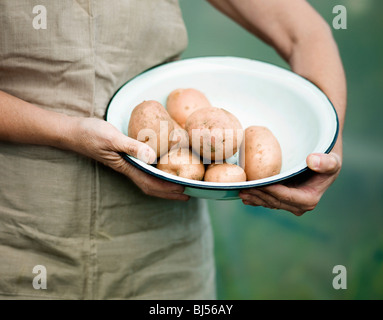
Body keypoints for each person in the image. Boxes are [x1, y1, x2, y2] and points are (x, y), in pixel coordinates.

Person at [0, 0, 346, 299]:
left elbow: (304, 33)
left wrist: (329, 139)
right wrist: (68, 132)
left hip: (166, 249)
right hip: (25, 234)